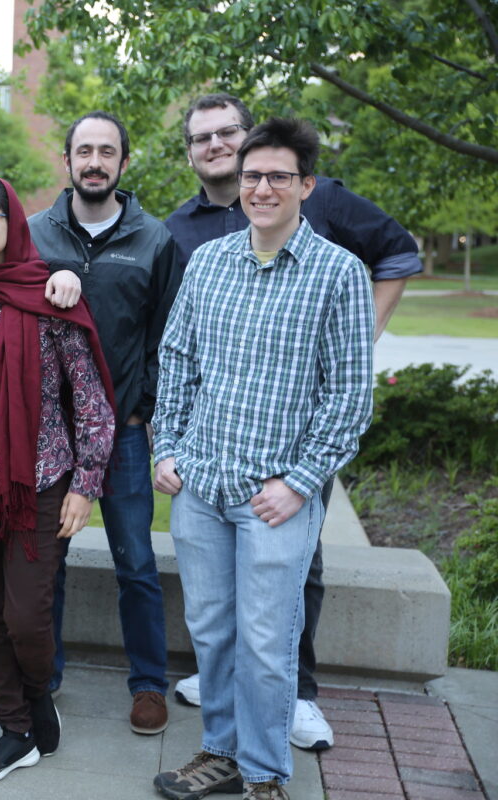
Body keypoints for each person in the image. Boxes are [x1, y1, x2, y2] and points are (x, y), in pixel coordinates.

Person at [165, 93, 421, 751]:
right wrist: (168, 447)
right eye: (253, 176)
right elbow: (177, 360)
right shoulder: (208, 264)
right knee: (214, 634)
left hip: (275, 495)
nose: (262, 186)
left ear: (308, 184)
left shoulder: (337, 273)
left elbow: (347, 397)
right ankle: (220, 753)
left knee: (267, 640)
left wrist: (300, 482)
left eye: (279, 175)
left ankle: (264, 771)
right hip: (202, 488)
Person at [0, 175, 116, 785]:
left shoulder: (51, 296)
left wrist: (86, 484)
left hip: (39, 482)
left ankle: (38, 698)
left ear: (13, 221)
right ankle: (16, 729)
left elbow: (92, 402)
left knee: (26, 618)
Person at [28, 110, 182, 734]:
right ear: (65, 161)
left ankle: (148, 684)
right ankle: (46, 679)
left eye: (106, 151)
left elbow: (165, 338)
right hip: (49, 433)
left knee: (136, 562)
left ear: (124, 161)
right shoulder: (33, 234)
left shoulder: (156, 238)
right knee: (48, 564)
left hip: (120, 433)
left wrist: (143, 409)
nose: (94, 160)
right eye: (83, 150)